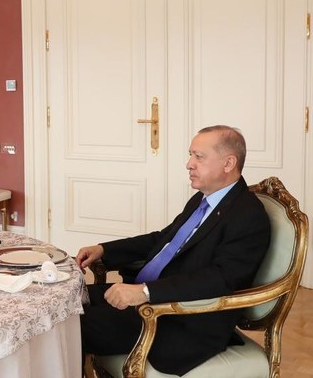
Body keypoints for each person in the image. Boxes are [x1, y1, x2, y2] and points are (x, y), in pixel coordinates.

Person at [76, 125, 270, 375]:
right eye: (190, 155)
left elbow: (220, 278)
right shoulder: (204, 199)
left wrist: (145, 292)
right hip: (152, 300)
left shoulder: (248, 216)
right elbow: (164, 239)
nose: (189, 164)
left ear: (228, 163)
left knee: (67, 325)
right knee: (64, 304)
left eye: (199, 157)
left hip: (178, 320)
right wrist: (104, 250)